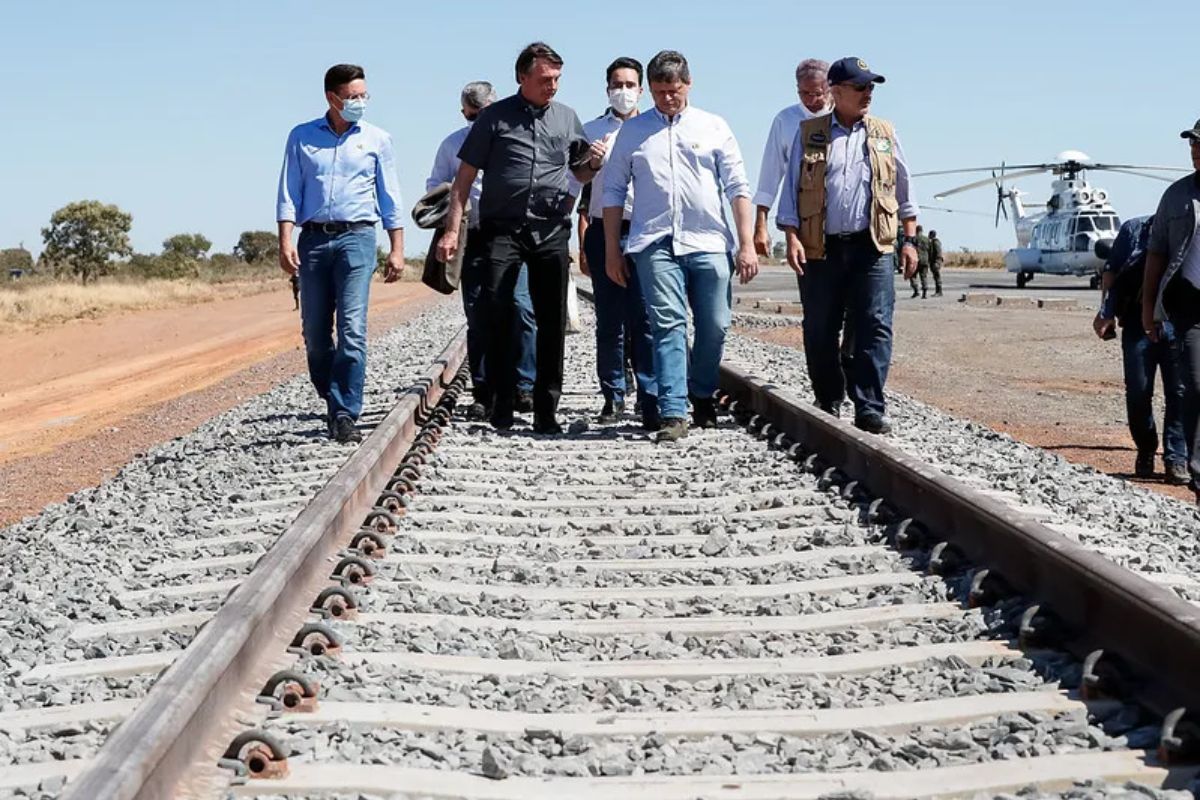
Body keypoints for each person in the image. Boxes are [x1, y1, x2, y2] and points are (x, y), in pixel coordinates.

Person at [437, 42, 599, 434]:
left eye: (557, 79)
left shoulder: (567, 118)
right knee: (498, 313)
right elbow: (463, 180)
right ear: (522, 77)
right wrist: (452, 230)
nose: (553, 86)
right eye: (545, 79)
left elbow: (579, 173)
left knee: (548, 319)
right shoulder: (493, 118)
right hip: (501, 231)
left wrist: (593, 163)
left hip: (549, 231)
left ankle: (546, 409)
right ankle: (501, 404)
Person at [602, 50, 758, 443]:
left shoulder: (714, 127)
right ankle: (674, 411)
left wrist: (747, 243)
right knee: (667, 325)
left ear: (688, 84)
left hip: (708, 241)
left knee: (715, 325)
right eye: (659, 92)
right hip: (654, 243)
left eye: (673, 90)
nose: (667, 98)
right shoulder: (633, 134)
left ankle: (701, 391)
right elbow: (613, 191)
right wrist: (611, 250)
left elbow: (738, 187)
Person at [777, 57, 919, 435]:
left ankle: (869, 405)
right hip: (820, 248)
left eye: (871, 87)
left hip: (872, 246)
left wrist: (910, 240)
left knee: (875, 324)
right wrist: (790, 237)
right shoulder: (809, 133)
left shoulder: (884, 134)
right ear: (835, 93)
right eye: (860, 87)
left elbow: (904, 190)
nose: (868, 93)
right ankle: (828, 398)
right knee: (821, 327)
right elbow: (790, 193)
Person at [277, 63, 405, 444]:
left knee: (352, 329)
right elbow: (288, 192)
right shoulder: (301, 137)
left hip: (358, 239)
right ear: (332, 98)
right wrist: (285, 241)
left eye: (364, 96)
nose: (360, 102)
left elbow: (390, 196)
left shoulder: (378, 139)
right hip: (313, 241)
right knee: (315, 334)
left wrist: (397, 248)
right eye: (353, 97)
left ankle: (345, 411)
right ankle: (334, 394)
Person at [426, 81, 537, 420]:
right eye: (473, 115)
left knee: (521, 309)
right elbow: (435, 187)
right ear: (465, 114)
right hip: (471, 236)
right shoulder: (452, 144)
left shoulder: (517, 136)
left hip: (511, 235)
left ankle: (524, 385)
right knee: (479, 314)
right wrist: (452, 221)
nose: (480, 120)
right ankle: (484, 390)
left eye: (486, 113)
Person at [570, 57, 659, 429]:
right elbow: (576, 180)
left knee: (646, 317)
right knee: (610, 320)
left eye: (630, 85)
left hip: (644, 231)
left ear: (642, 89)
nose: (623, 91)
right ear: (607, 88)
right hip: (604, 230)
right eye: (616, 85)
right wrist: (592, 162)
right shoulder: (590, 129)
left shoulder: (654, 128)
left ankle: (649, 395)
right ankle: (613, 396)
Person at [1095, 215, 1188, 484]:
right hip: (1137, 322)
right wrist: (1106, 313)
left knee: (1180, 392)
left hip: (1179, 322)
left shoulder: (1191, 230)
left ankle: (1176, 459)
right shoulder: (1134, 229)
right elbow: (1112, 271)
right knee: (1138, 391)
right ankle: (1146, 448)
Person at [1141, 118, 1200, 503]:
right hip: (1192, 308)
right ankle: (1198, 477)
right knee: (1195, 387)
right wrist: (1149, 308)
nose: (1194, 149)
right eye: (1193, 144)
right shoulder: (1176, 197)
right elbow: (1157, 254)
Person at [752, 59, 831, 258]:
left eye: (817, 94)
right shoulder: (785, 120)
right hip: (805, 222)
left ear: (830, 88)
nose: (811, 100)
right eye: (804, 93)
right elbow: (770, 175)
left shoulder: (844, 117)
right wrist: (761, 224)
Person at [909, 224, 931, 298]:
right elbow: (930, 250)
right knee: (924, 277)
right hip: (925, 260)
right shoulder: (927, 239)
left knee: (912, 276)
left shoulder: (914, 239)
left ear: (916, 230)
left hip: (916, 260)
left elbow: (910, 249)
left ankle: (916, 290)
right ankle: (924, 293)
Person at [928, 229, 944, 296]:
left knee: (937, 277)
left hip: (936, 262)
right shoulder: (934, 242)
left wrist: (936, 262)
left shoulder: (935, 243)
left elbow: (938, 253)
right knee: (936, 277)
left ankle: (939, 291)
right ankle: (938, 291)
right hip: (935, 261)